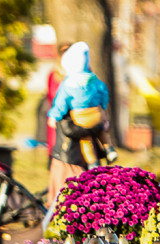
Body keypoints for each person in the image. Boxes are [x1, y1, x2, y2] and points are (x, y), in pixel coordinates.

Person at [47, 42, 110, 202]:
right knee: (69, 198)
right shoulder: (66, 82)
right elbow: (68, 127)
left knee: (81, 199)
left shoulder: (79, 82)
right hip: (69, 153)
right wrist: (96, 125)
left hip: (76, 153)